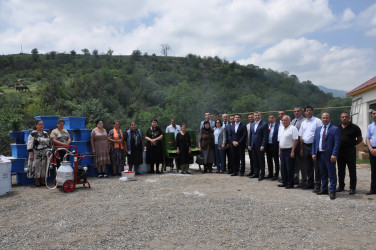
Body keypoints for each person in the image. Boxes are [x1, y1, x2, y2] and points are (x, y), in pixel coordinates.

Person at [312, 113, 341, 200]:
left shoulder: (335, 129)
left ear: (329, 118)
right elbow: (314, 142)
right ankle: (324, 189)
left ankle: (332, 191)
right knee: (323, 173)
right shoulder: (318, 129)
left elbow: (337, 143)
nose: (325, 119)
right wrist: (314, 153)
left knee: (331, 173)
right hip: (320, 154)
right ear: (321, 119)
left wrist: (334, 154)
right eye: (323, 118)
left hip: (329, 155)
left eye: (326, 118)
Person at [298, 106, 323, 191]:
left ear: (312, 111)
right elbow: (301, 136)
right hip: (305, 146)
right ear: (304, 112)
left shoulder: (317, 121)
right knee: (308, 166)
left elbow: (321, 133)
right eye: (307, 111)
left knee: (316, 166)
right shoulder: (304, 123)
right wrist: (301, 148)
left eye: (310, 110)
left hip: (314, 146)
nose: (308, 112)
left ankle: (317, 185)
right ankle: (310, 183)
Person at [337, 112, 362, 194]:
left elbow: (359, 139)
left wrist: (352, 144)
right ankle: (341, 186)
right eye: (343, 117)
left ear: (349, 118)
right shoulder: (337, 128)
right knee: (341, 170)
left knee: (352, 170)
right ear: (340, 118)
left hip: (350, 151)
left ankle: (352, 188)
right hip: (340, 151)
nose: (344, 118)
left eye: (346, 117)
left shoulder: (355, 127)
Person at [27, 120, 51, 187]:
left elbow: (49, 143)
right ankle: (37, 182)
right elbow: (29, 144)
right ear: (36, 125)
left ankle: (43, 181)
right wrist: (30, 153)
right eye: (40, 124)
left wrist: (49, 151)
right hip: (36, 153)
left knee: (44, 166)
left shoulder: (45, 133)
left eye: (42, 124)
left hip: (45, 153)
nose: (41, 125)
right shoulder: (33, 133)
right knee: (36, 166)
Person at [278, 115, 299, 189]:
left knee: (289, 168)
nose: (284, 122)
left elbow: (295, 140)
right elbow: (280, 140)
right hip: (282, 150)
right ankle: (284, 182)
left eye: (286, 120)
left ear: (289, 121)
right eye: (283, 120)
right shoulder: (281, 129)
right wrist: (279, 150)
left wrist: (293, 151)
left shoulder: (293, 128)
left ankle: (290, 183)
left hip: (289, 150)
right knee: (283, 167)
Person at [248, 111, 268, 180]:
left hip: (260, 146)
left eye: (258, 115)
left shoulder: (264, 124)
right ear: (254, 116)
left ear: (260, 116)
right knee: (255, 160)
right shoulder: (252, 124)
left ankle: (262, 174)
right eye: (255, 115)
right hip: (253, 145)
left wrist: (263, 145)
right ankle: (256, 173)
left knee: (261, 160)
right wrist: (249, 144)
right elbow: (250, 135)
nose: (257, 116)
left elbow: (265, 136)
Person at [291, 107, 306, 186]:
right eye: (295, 111)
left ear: (301, 112)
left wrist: (301, 147)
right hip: (293, 145)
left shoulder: (304, 121)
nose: (296, 113)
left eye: (298, 111)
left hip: (301, 145)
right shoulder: (293, 121)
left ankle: (304, 181)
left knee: (302, 164)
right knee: (295, 164)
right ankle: (295, 179)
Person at [265, 114, 280, 180]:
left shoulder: (278, 126)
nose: (271, 119)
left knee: (276, 160)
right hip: (268, 145)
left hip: (275, 145)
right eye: (269, 118)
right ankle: (270, 173)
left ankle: (276, 174)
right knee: (269, 160)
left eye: (272, 118)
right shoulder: (267, 126)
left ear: (275, 118)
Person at [366, 108, 376, 195]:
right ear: (372, 115)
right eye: (374, 113)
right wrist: (370, 149)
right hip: (372, 150)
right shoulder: (370, 126)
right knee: (374, 170)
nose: (375, 115)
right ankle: (373, 189)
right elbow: (367, 138)